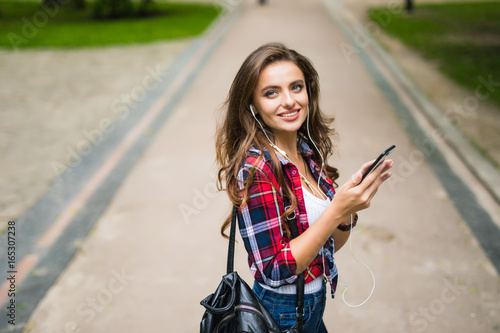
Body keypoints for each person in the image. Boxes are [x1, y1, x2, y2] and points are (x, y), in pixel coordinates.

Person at [215, 42, 393, 332]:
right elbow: (273, 267)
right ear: (253, 105)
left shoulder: (305, 152)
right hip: (280, 313)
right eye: (271, 92)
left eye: (296, 87)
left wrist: (348, 210)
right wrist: (336, 209)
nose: (289, 101)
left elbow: (330, 245)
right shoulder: (256, 168)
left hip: (310, 306)